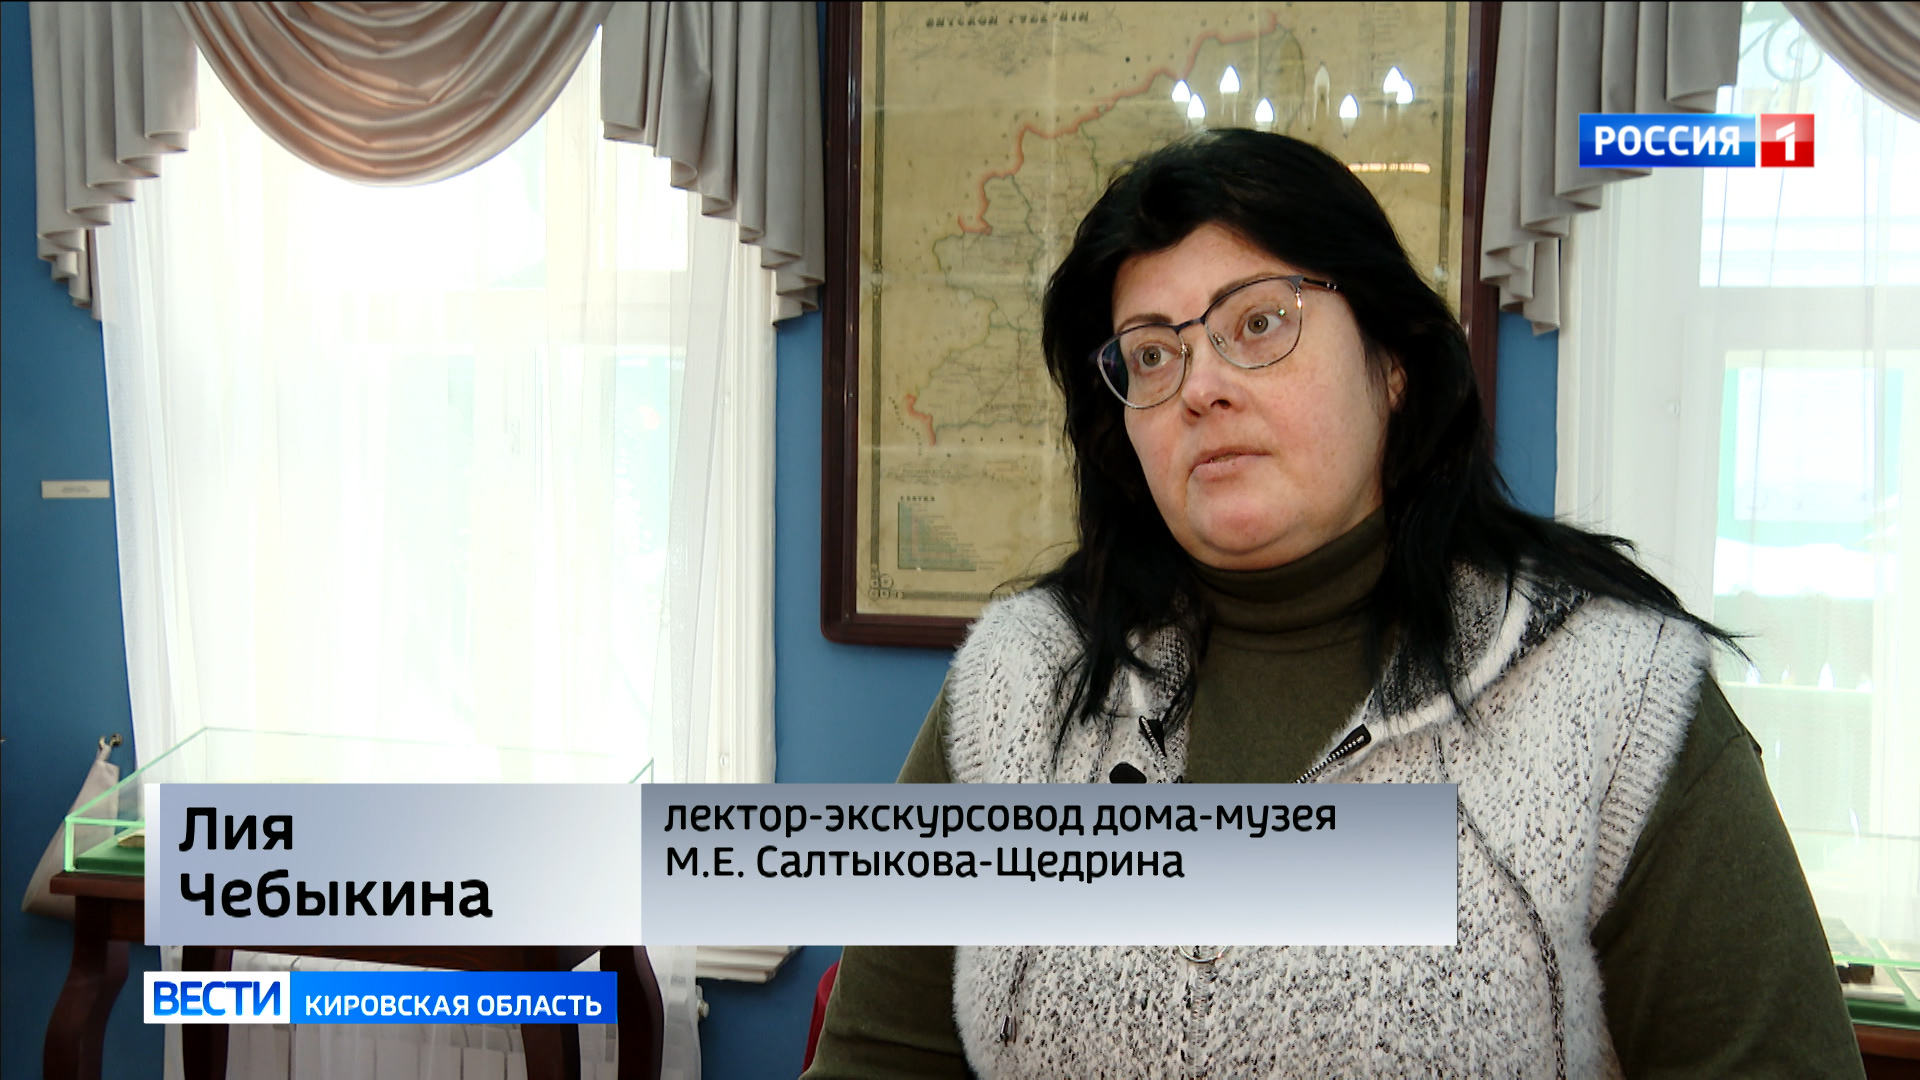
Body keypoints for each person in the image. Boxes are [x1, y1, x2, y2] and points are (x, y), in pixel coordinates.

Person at [803, 130, 1861, 1078]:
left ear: (1391, 363)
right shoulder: (1021, 682)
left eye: (1260, 322)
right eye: (1154, 355)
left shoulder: (1613, 697)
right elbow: (877, 1061)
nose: (1201, 386)